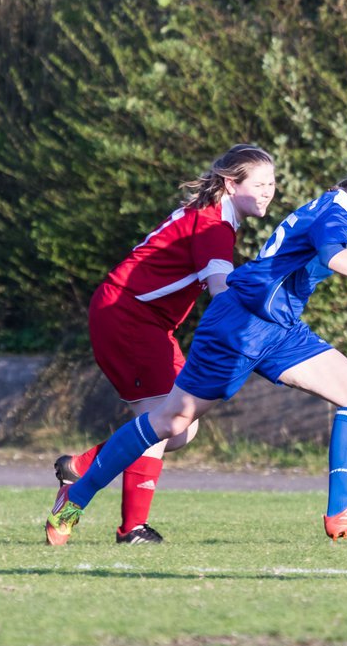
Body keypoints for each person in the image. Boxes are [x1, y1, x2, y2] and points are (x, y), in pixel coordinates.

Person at [47, 152, 347, 545]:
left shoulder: (336, 208)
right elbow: (331, 255)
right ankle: (76, 498)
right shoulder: (335, 214)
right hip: (241, 323)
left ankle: (341, 512)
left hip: (280, 327)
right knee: (171, 422)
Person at [52, 145, 276, 544]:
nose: (268, 192)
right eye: (259, 183)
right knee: (160, 420)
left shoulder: (215, 219)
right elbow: (221, 289)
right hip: (128, 315)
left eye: (272, 184)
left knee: (179, 427)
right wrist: (256, 326)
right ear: (230, 183)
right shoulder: (213, 224)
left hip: (147, 321)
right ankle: (130, 527)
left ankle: (84, 466)